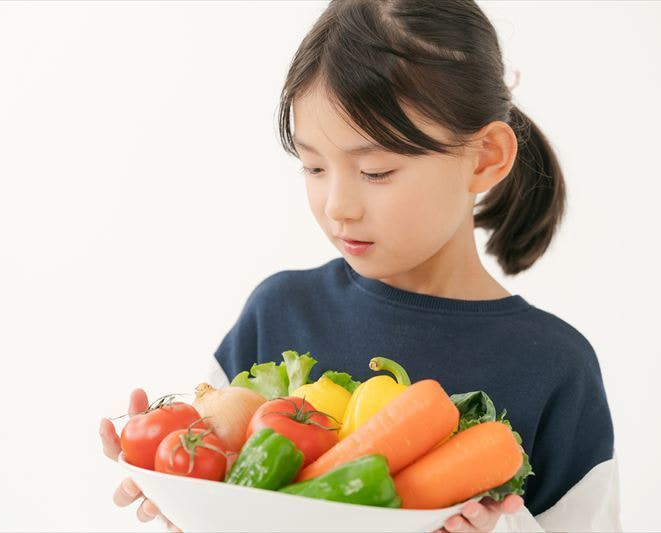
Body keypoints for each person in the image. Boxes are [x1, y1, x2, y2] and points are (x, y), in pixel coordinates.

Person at [99, 0, 621, 531]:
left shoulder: (554, 367)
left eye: (375, 171)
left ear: (485, 157)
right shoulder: (277, 313)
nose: (337, 206)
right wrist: (175, 486)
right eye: (313, 167)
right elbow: (219, 481)